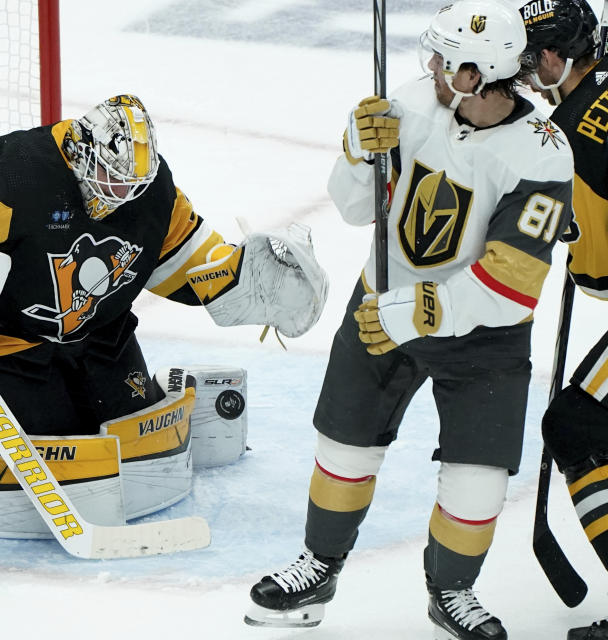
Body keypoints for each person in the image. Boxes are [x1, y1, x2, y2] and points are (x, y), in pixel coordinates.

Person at [244, 1, 574, 638]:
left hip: (483, 338)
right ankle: (319, 565)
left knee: (477, 484)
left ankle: (450, 593)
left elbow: (511, 285)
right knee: (343, 445)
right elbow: (351, 208)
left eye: (444, 62)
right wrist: (357, 153)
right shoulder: (414, 102)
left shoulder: (543, 154)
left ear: (476, 75)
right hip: (382, 302)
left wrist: (423, 312)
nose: (429, 67)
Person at [0, 93, 327, 440]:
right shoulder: (14, 175)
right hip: (11, 343)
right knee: (50, 439)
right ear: (81, 153)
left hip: (102, 334)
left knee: (133, 429)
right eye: (113, 179)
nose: (122, 194)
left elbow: (188, 257)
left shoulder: (153, 191)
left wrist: (244, 280)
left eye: (134, 184)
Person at [520, 2, 608, 638]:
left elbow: (594, 272)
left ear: (553, 60)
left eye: (527, 61)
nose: (521, 74)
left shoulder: (569, 144)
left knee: (574, 424)